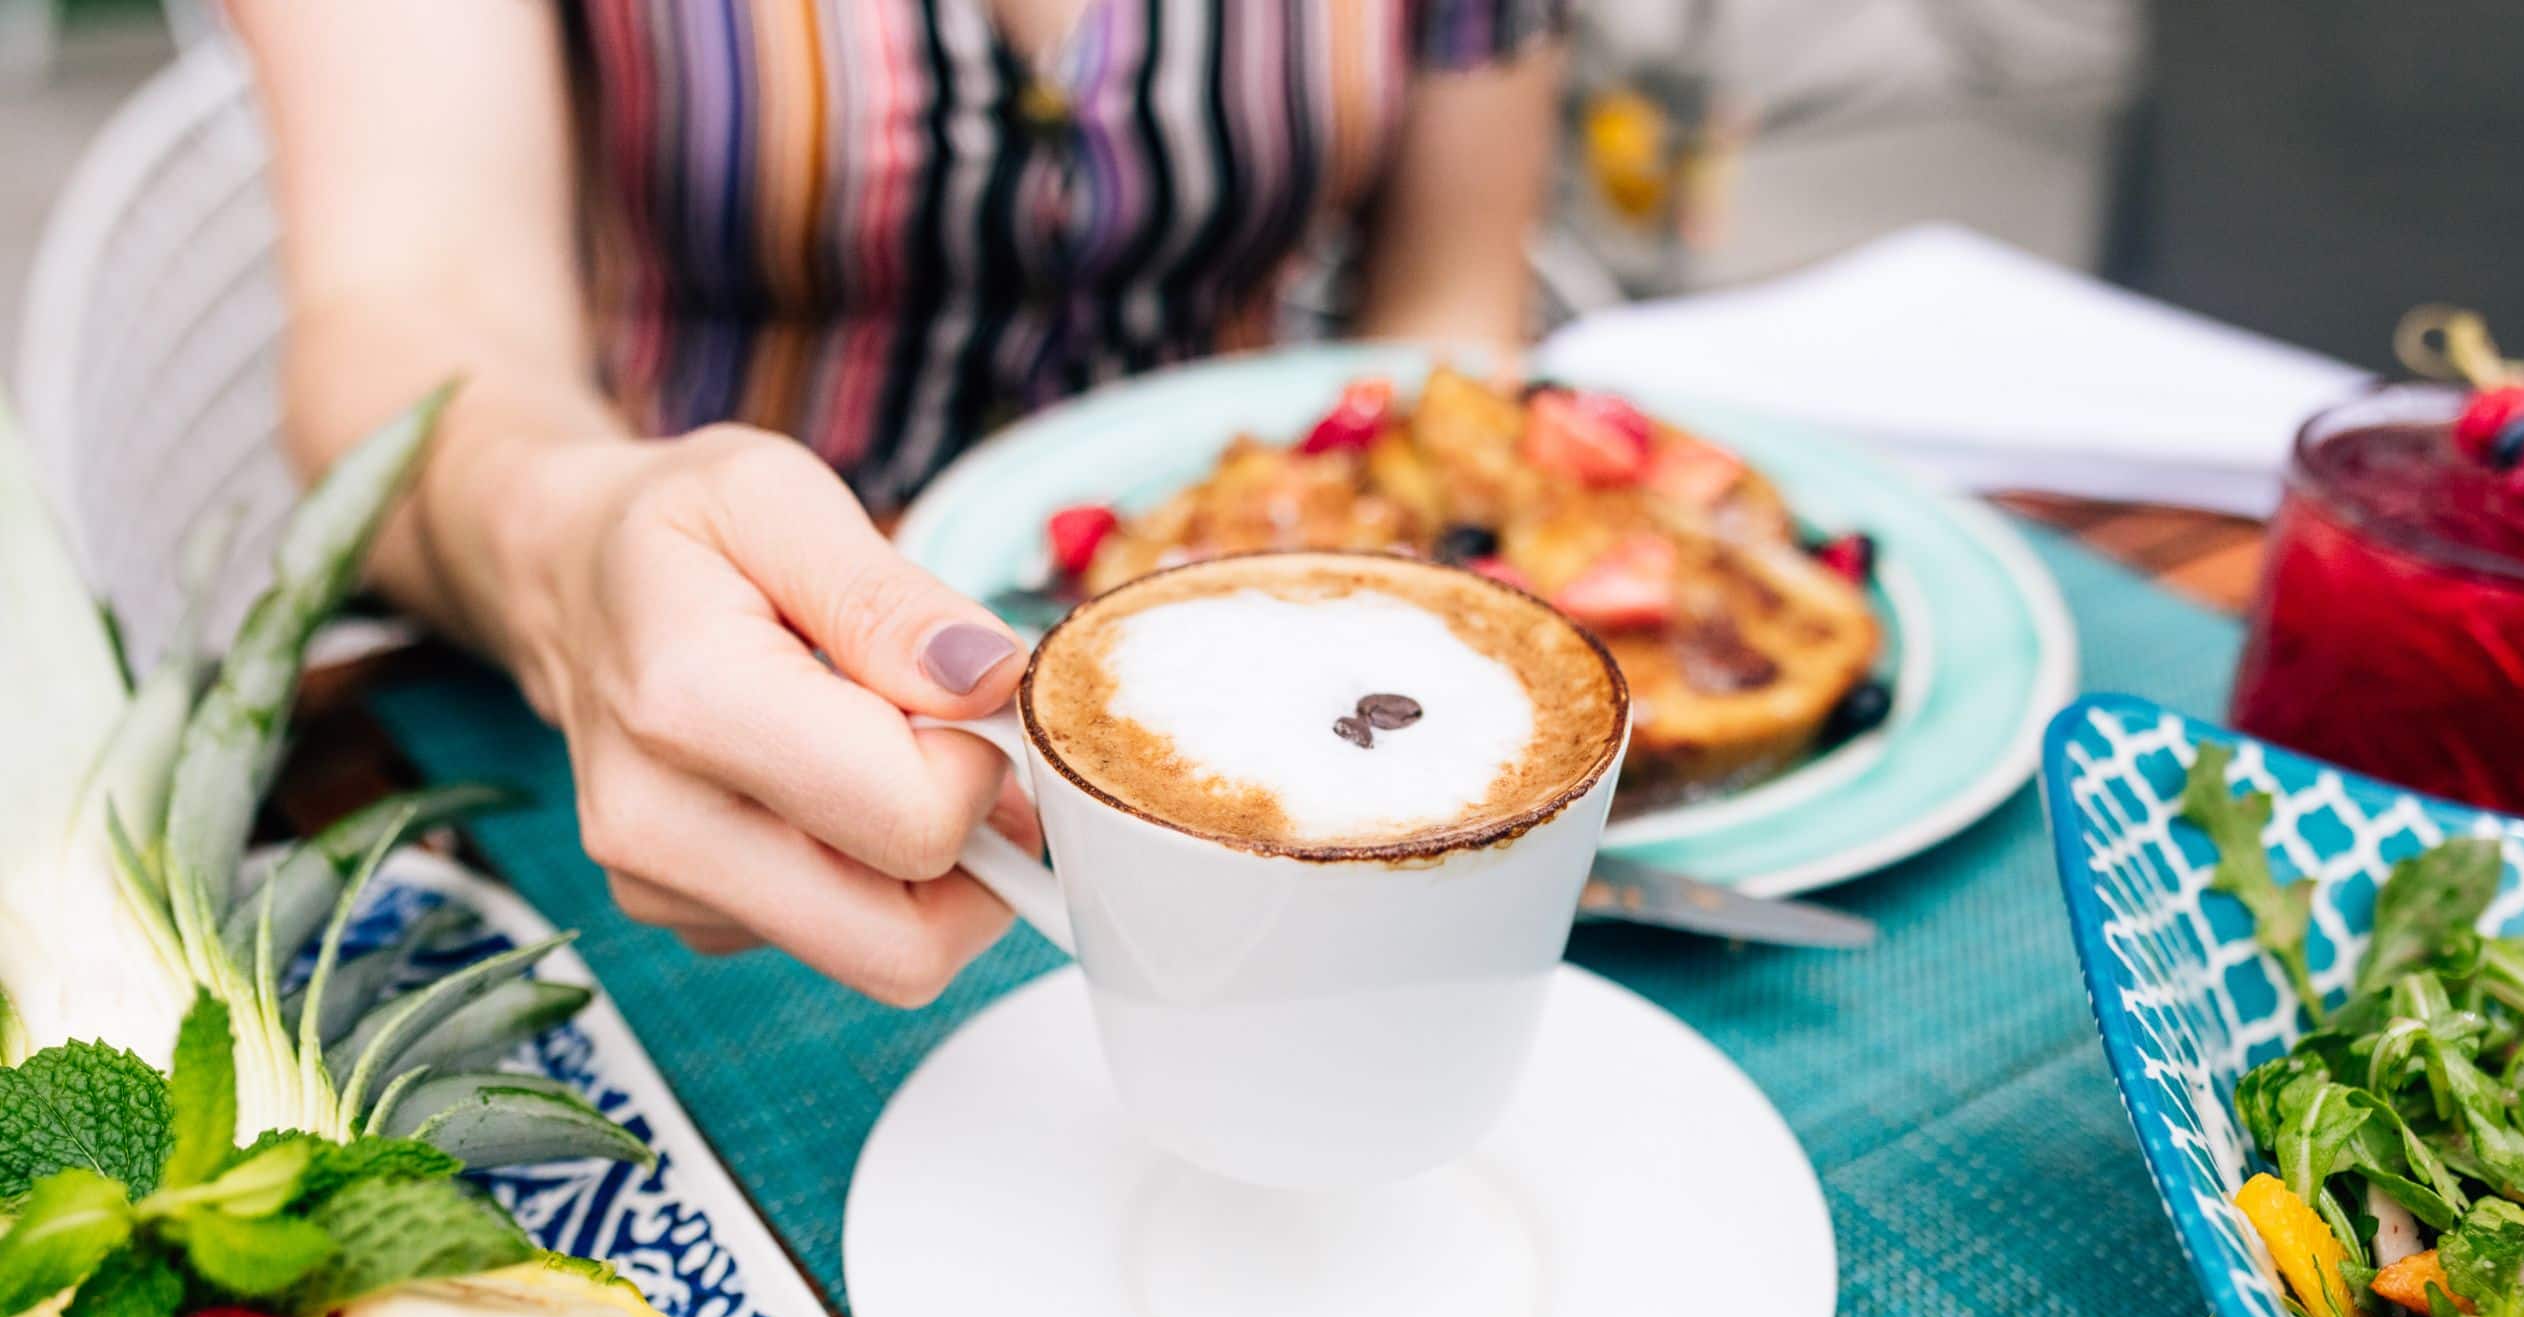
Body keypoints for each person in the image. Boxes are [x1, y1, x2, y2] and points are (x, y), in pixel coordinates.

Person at [230, 0, 1565, 1005]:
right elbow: (405, 309)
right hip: (714, 728)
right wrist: (569, 544)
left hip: (1308, 727)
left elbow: (1444, 307)